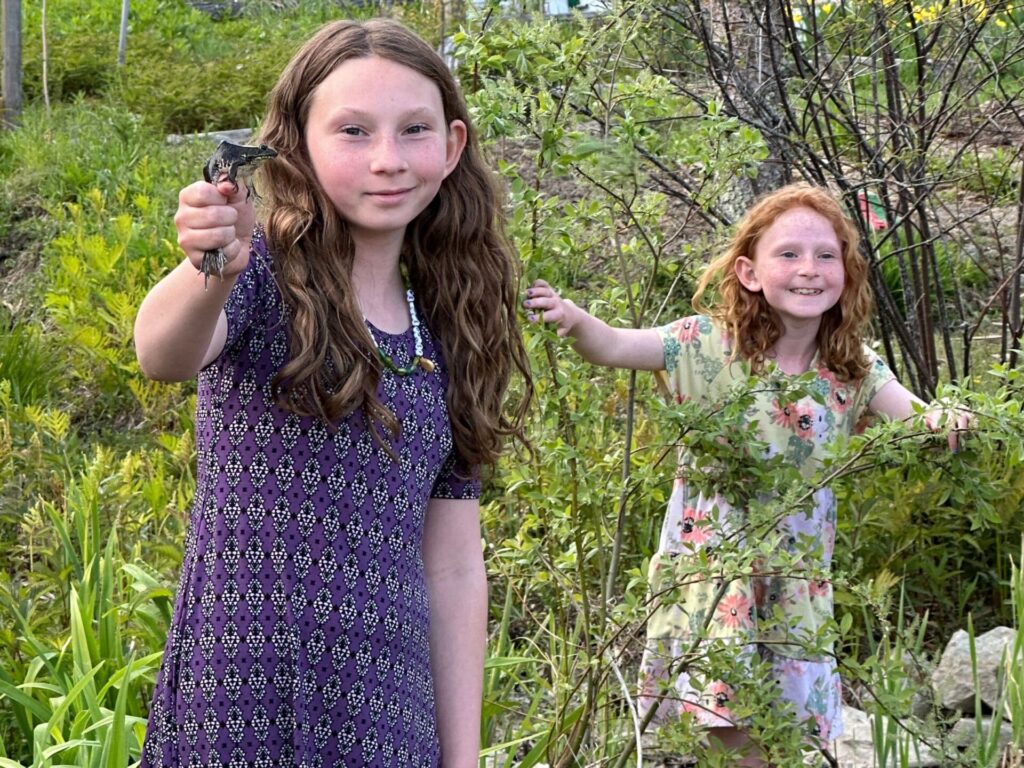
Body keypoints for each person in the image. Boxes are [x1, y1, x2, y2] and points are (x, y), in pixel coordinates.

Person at [133, 18, 531, 768]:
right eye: (352, 130)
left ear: (451, 148)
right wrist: (208, 267)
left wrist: (463, 757)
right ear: (298, 146)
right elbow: (162, 353)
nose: (387, 159)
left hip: (388, 715)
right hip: (236, 700)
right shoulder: (259, 276)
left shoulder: (450, 333)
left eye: (413, 130)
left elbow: (452, 566)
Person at [524, 183, 968, 766]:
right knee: (730, 746)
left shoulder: (854, 372)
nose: (808, 269)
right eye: (788, 254)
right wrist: (574, 318)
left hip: (796, 593)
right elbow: (612, 346)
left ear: (846, 273)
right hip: (715, 585)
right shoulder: (707, 346)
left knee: (781, 745)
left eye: (826, 255)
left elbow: (918, 421)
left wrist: (949, 419)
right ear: (750, 272)